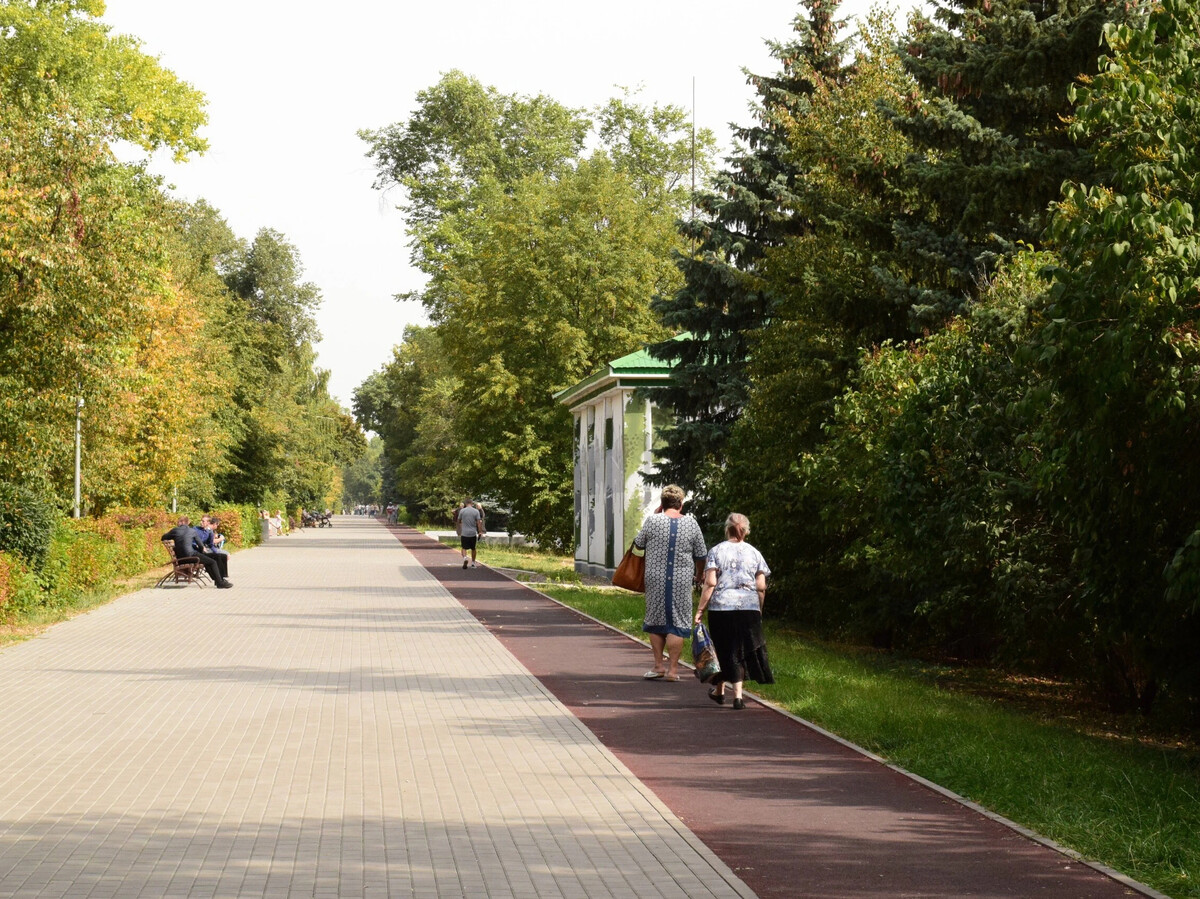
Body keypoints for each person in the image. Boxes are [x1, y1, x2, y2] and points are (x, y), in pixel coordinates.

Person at [694, 512, 774, 709]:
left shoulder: (716, 551)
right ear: (746, 531)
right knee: (741, 649)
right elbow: (761, 586)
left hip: (722, 607)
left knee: (723, 647)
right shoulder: (755, 553)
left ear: (726, 529)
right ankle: (728, 694)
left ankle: (729, 694)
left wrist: (700, 609)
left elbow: (711, 582)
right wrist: (759, 609)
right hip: (749, 608)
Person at [633, 485, 707, 682]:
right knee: (678, 622)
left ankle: (658, 666)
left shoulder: (652, 520)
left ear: (662, 503)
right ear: (681, 504)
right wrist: (699, 575)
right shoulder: (691, 524)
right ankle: (673, 670)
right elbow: (701, 554)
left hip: (655, 578)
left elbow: (639, 544)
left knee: (655, 620)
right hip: (681, 581)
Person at [162, 516, 232, 588]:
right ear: (187, 523)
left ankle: (220, 580)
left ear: (182, 522)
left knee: (217, 557)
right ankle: (219, 583)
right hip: (190, 556)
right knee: (212, 562)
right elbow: (201, 545)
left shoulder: (175, 530)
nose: (177, 523)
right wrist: (203, 553)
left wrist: (174, 537)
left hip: (183, 557)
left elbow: (163, 537)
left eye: (178, 522)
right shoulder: (192, 531)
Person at [194, 514, 230, 580]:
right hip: (196, 552)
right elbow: (191, 541)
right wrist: (198, 545)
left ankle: (222, 577)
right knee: (212, 561)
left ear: (208, 523)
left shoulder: (209, 532)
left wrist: (216, 552)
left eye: (203, 521)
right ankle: (218, 579)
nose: (201, 522)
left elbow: (211, 545)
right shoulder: (195, 529)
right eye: (201, 521)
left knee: (221, 556)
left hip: (203, 552)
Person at [456, 496, 483, 569]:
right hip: (472, 533)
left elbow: (458, 521)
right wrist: (480, 531)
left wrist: (460, 528)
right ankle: (473, 563)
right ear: (472, 503)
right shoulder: (476, 511)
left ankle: (465, 558)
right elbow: (478, 522)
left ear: (465, 503)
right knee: (473, 548)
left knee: (464, 547)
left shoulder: (462, 511)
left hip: (464, 533)